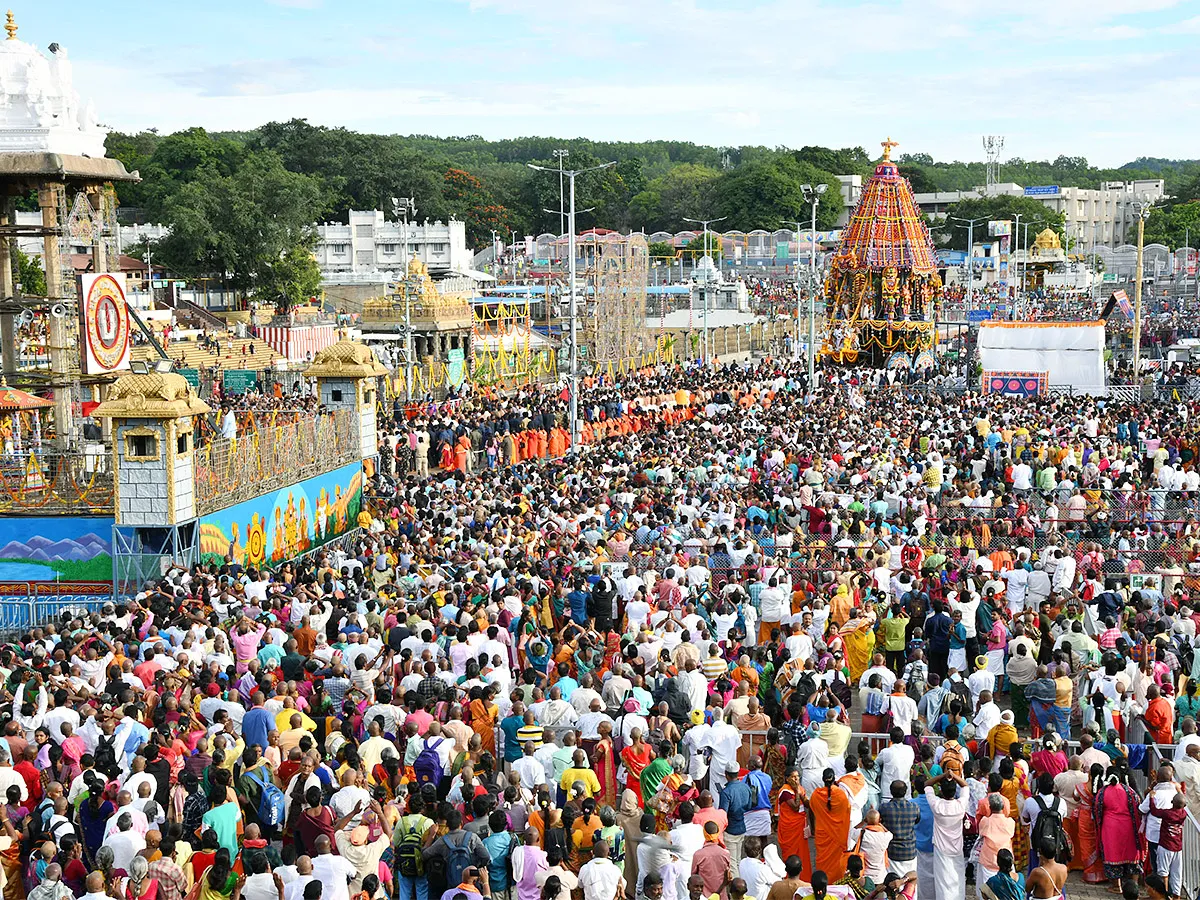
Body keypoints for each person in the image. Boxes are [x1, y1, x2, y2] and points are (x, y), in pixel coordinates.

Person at [923, 772, 967, 900]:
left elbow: (927, 784)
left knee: (942, 881)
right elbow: (965, 786)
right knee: (958, 877)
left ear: (941, 791)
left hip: (941, 849)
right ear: (954, 792)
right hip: (957, 847)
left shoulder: (937, 805)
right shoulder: (960, 805)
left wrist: (943, 776)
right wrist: (953, 775)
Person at [809, 768, 850, 882]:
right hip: (838, 835)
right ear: (834, 779)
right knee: (837, 864)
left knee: (822, 863)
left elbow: (811, 811)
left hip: (822, 834)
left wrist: (813, 829)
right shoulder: (841, 794)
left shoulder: (816, 795)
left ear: (823, 779)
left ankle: (822, 883)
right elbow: (847, 811)